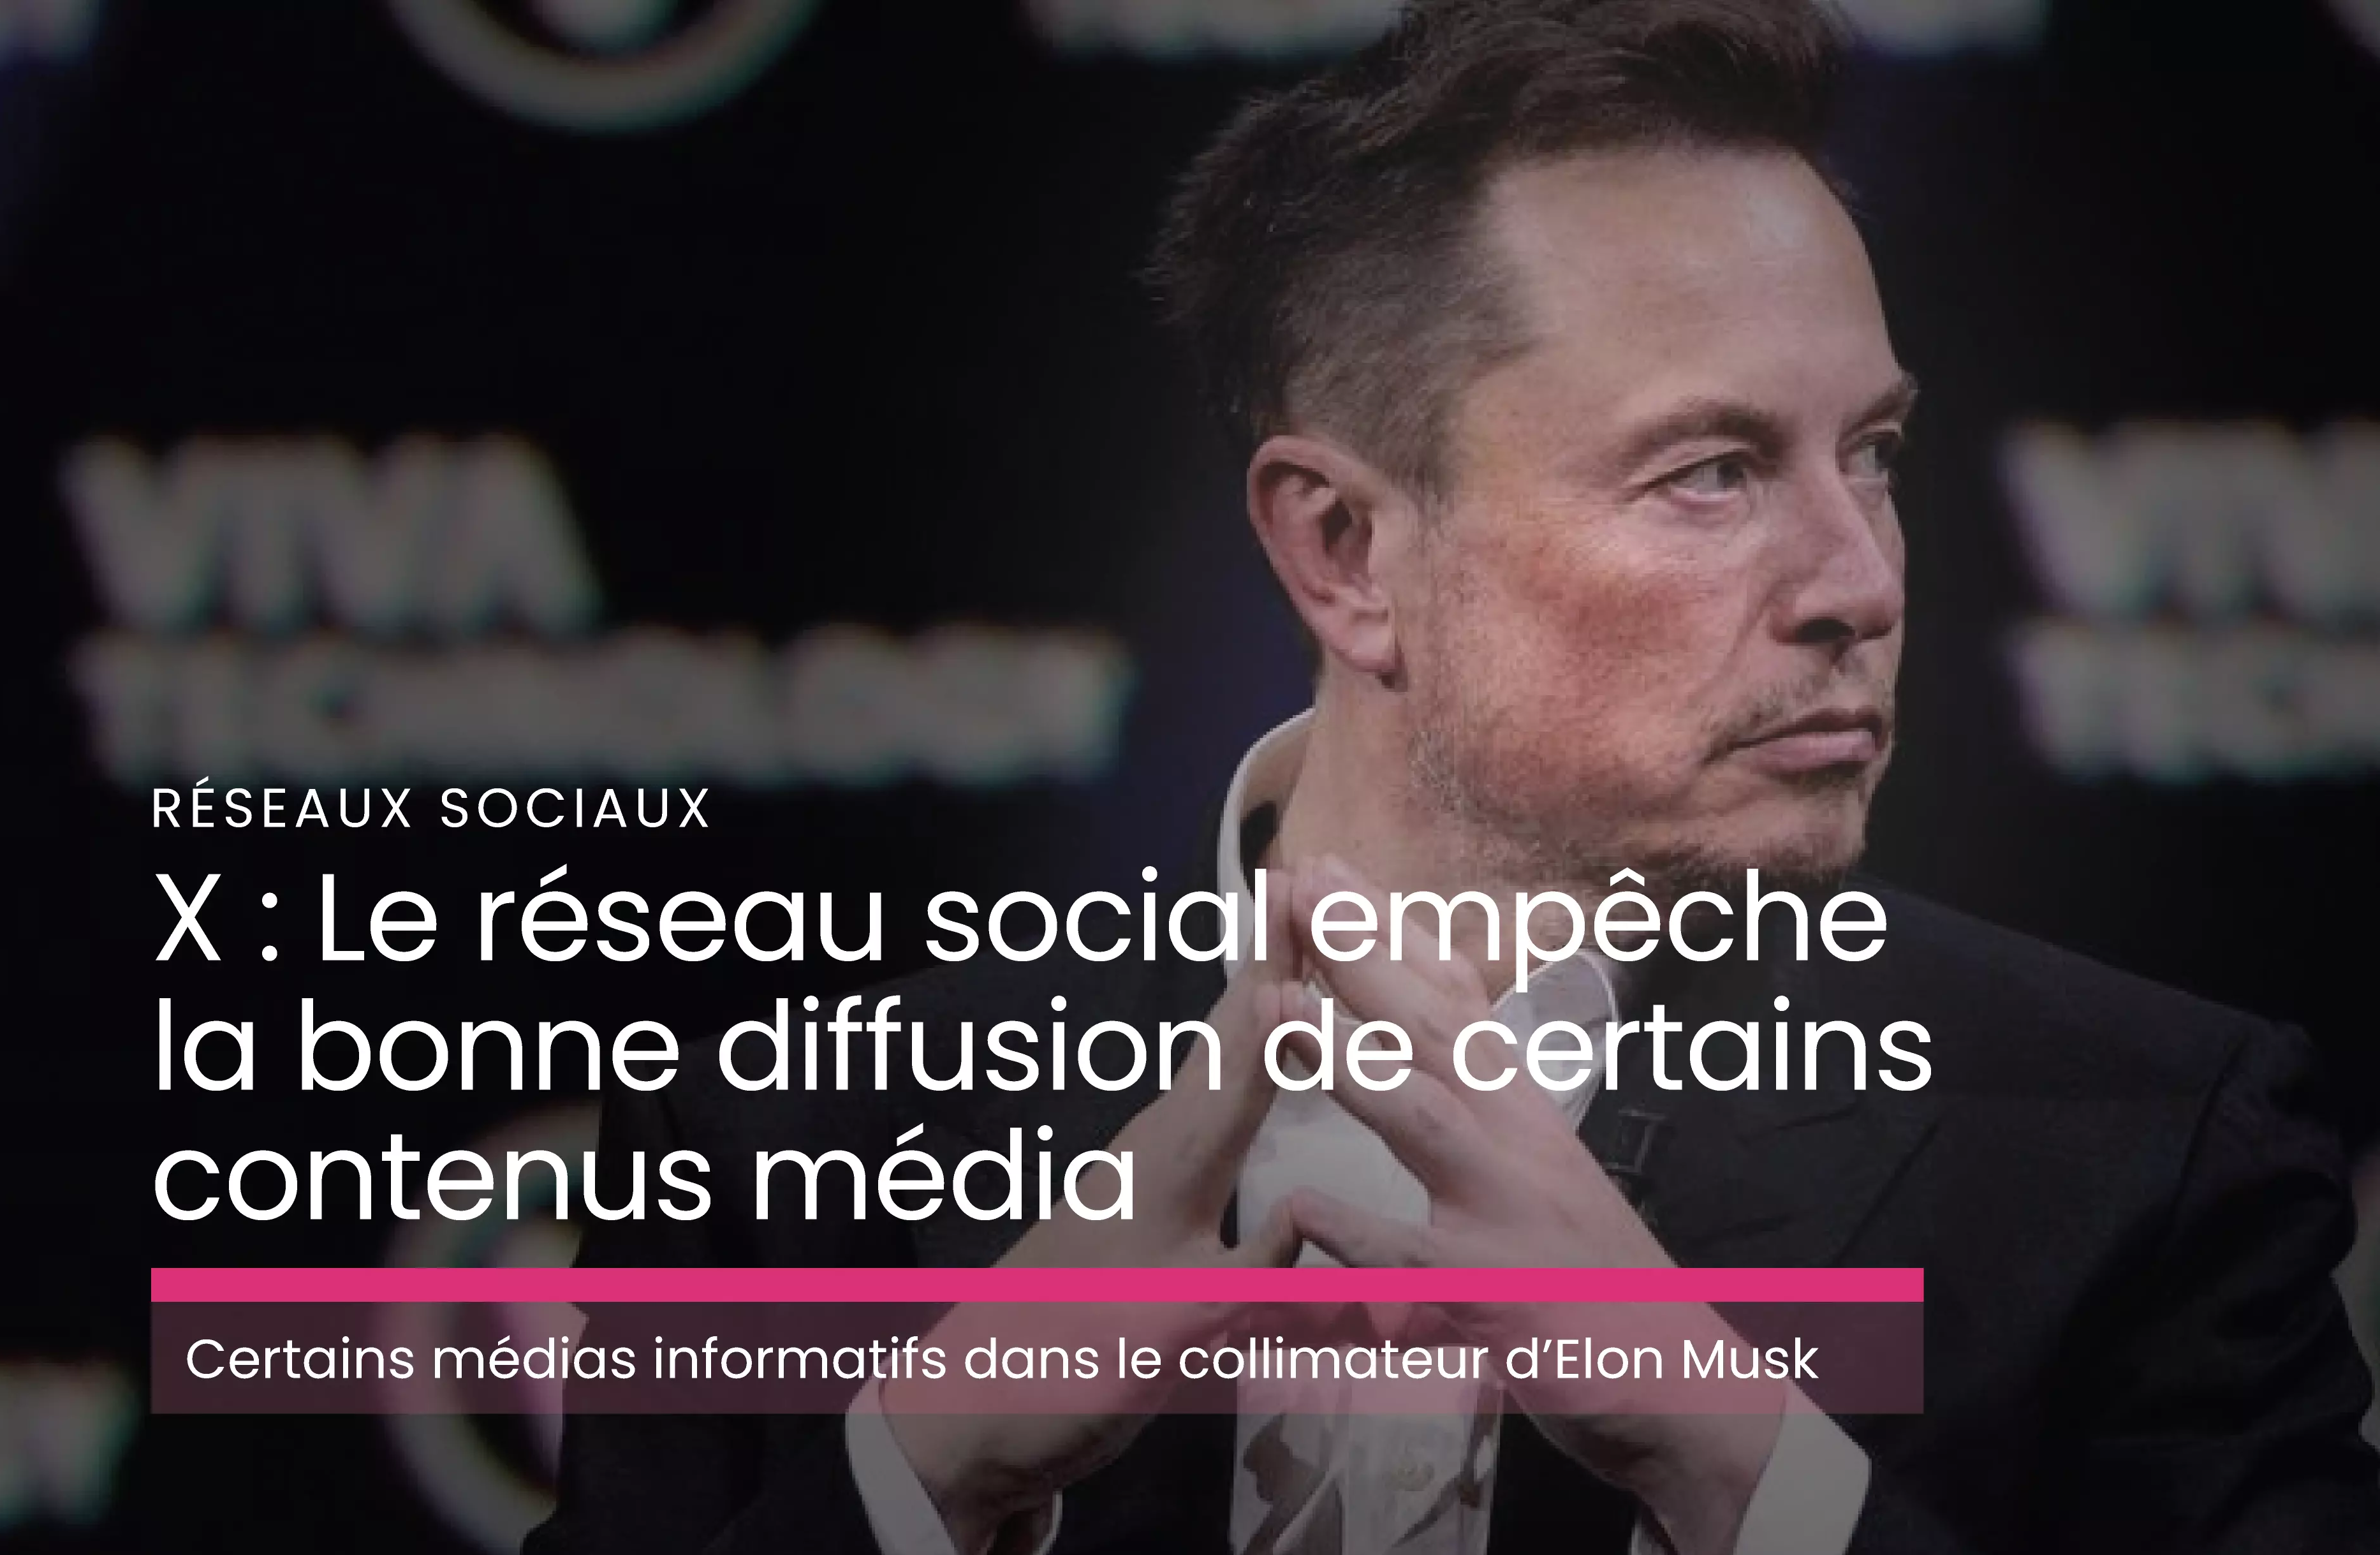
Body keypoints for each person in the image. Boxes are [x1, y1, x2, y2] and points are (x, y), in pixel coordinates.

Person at [527, 1, 2380, 1551]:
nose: (1861, 581)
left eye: (1872, 455)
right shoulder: (786, 1145)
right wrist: (919, 1468)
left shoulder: (2140, 1153)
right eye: (1710, 472)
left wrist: (1737, 1461)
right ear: (1343, 550)